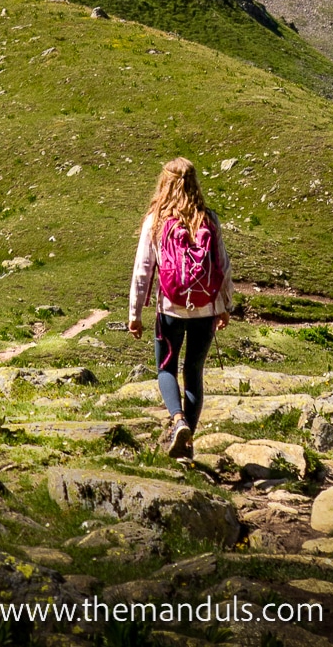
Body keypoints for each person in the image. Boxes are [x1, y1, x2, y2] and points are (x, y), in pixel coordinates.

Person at [128, 156, 233, 458]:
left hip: (170, 309)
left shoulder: (157, 221)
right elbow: (223, 265)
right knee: (194, 371)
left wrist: (135, 314)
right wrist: (224, 305)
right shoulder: (209, 218)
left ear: (164, 183)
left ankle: (177, 421)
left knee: (166, 369)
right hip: (207, 309)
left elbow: (143, 270)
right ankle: (187, 443)